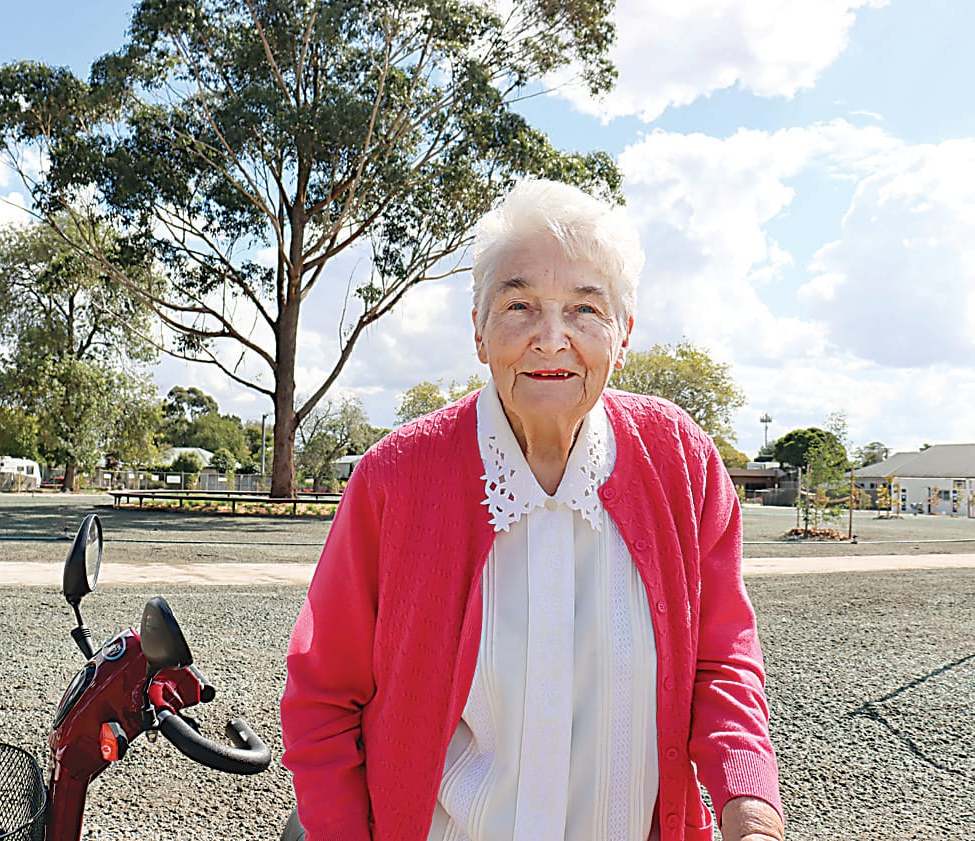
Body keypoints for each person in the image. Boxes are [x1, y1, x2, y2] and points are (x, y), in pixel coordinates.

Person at [280, 179, 783, 841]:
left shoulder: (679, 461)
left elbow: (721, 663)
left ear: (622, 333)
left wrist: (750, 809)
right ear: (479, 332)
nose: (551, 339)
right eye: (519, 305)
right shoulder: (393, 478)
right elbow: (323, 697)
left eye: (583, 309)